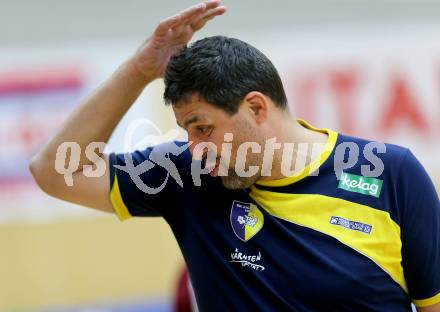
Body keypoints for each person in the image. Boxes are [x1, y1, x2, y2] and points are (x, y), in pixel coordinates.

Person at [29, 1, 440, 311]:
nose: (194, 146)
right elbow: (53, 171)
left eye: (203, 127)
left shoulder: (391, 174)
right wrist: (139, 69)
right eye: (187, 131)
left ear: (256, 108)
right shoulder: (187, 174)